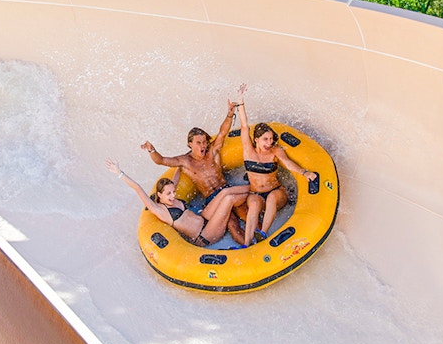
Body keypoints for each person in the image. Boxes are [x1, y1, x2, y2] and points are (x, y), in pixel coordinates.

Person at [141, 98, 250, 244]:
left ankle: (261, 236)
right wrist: (151, 150)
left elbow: (223, 132)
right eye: (199, 142)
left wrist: (230, 114)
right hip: (212, 200)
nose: (203, 145)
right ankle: (248, 247)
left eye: (204, 141)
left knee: (246, 213)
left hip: (226, 189)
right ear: (190, 144)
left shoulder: (212, 152)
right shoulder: (185, 162)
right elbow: (161, 160)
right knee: (232, 223)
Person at [235, 84, 317, 245]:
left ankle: (263, 233)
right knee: (253, 204)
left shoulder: (275, 151)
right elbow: (244, 125)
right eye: (265, 139)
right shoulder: (248, 150)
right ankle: (246, 243)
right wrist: (240, 101)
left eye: (271, 139)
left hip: (276, 193)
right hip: (256, 193)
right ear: (256, 139)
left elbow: (288, 163)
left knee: (271, 197)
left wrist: (304, 173)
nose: (269, 142)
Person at [106, 159, 240, 247]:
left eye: (173, 192)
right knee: (229, 199)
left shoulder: (171, 196)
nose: (173, 195)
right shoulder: (159, 209)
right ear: (159, 195)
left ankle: (253, 190)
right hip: (205, 235)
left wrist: (180, 165)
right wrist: (119, 173)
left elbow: (175, 180)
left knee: (226, 192)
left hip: (204, 218)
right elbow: (138, 188)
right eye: (168, 194)